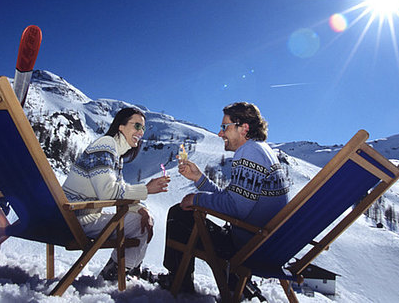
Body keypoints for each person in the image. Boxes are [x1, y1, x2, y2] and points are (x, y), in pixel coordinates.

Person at [160, 102, 289, 295]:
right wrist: (198, 178)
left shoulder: (249, 153)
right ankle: (233, 281)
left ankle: (178, 283)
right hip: (262, 244)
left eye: (224, 127)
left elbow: (235, 208)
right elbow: (230, 198)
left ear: (243, 128)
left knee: (179, 214)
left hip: (246, 248)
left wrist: (196, 200)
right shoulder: (261, 150)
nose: (220, 134)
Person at [62, 107, 170, 280]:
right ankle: (118, 272)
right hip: (76, 218)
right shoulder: (106, 145)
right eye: (136, 126)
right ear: (121, 126)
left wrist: (139, 207)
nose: (140, 132)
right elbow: (108, 192)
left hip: (77, 215)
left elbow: (117, 189)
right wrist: (146, 189)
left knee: (142, 217)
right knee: (138, 224)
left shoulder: (114, 152)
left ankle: (125, 268)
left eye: (143, 128)